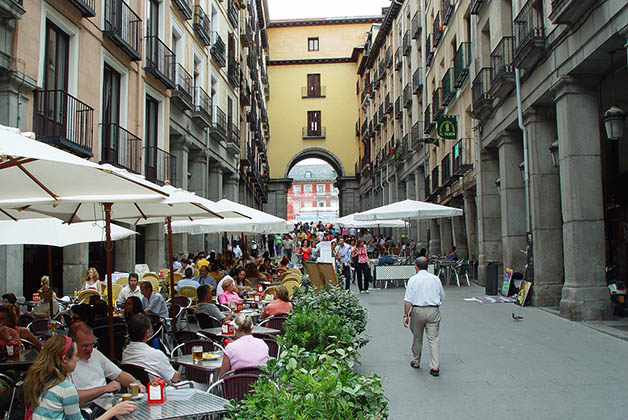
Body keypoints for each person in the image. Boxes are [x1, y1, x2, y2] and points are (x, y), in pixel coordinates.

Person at [23, 335, 136, 420]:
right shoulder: (66, 388)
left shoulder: (43, 380)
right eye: (75, 356)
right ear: (64, 359)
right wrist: (115, 410)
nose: (77, 359)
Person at [67, 322, 145, 405]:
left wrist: (135, 382)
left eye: (92, 344)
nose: (90, 349)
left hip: (108, 404)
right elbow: (73, 398)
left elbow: (119, 375)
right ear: (72, 345)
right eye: (85, 346)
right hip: (90, 409)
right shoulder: (67, 364)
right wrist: (105, 389)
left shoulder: (95, 354)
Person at [403, 257, 445, 376]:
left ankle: (416, 361)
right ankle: (435, 366)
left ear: (416, 267)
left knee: (417, 337)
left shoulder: (413, 280)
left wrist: (405, 314)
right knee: (433, 339)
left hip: (417, 311)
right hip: (433, 310)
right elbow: (442, 295)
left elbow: (408, 300)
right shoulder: (435, 279)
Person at [122, 314, 179, 383]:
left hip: (136, 390)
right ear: (147, 332)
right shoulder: (156, 355)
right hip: (157, 390)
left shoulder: (125, 352)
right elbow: (173, 378)